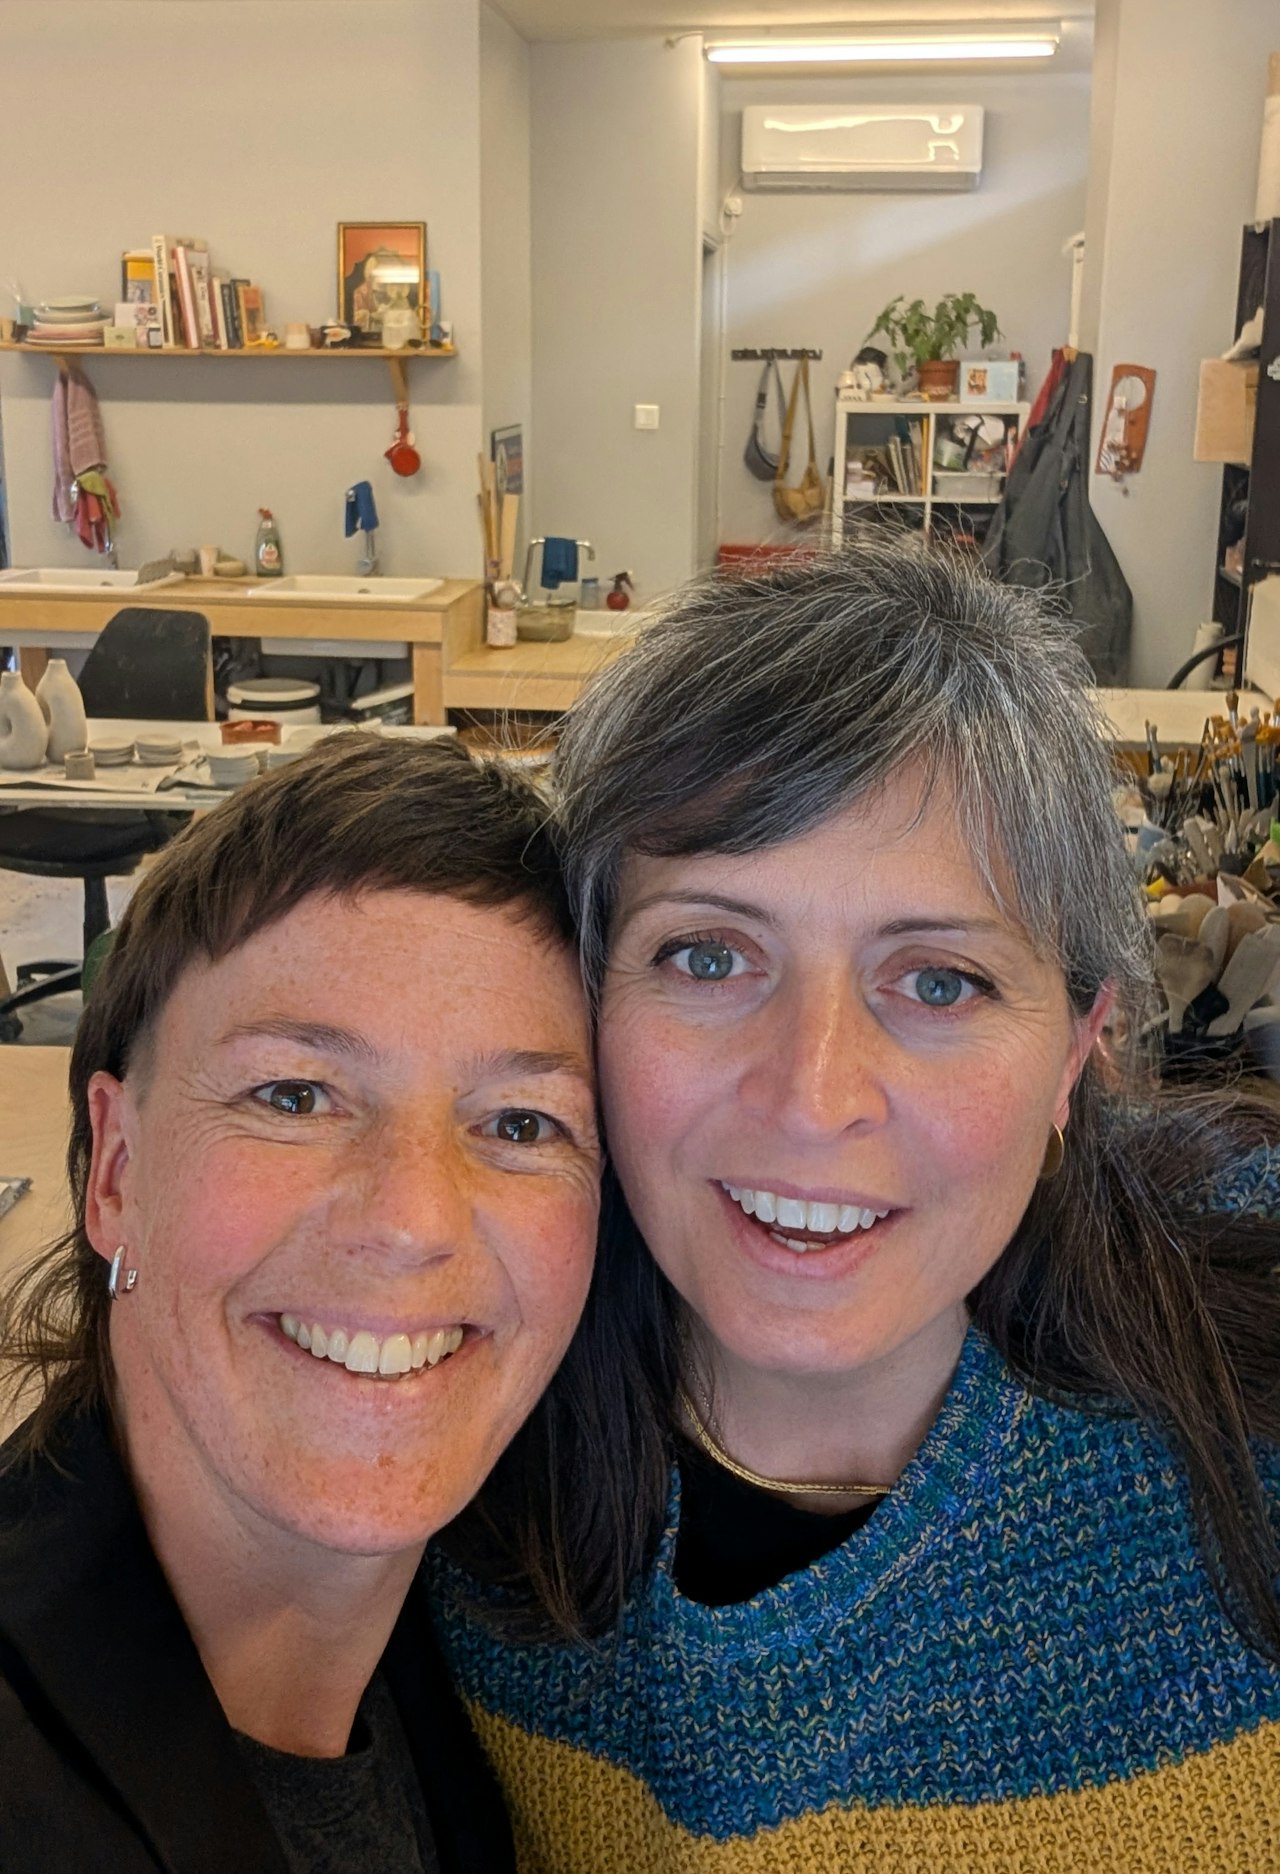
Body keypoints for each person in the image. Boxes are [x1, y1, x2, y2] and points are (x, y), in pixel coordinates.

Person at [429, 545, 1280, 1871]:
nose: (812, 1094)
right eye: (708, 954)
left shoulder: (1246, 1405)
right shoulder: (441, 1415)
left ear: (1077, 1050)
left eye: (937, 981)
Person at [0, 734, 602, 1873]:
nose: (411, 1218)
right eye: (294, 1095)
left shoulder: (500, 1690)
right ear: (115, 1171)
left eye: (521, 1124)